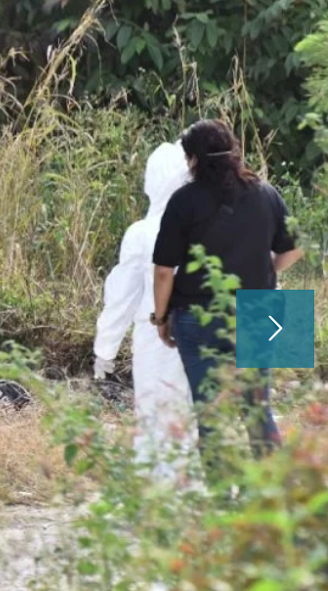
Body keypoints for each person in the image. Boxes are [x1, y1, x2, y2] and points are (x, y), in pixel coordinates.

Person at [152, 120, 303, 465]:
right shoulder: (267, 192)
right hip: (263, 309)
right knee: (258, 408)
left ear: (192, 159)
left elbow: (163, 271)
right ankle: (271, 499)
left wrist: (160, 318)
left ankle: (222, 501)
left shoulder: (183, 201)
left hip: (198, 313)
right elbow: (296, 249)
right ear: (234, 152)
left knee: (210, 413)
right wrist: (267, 269)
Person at [93, 143, 196, 485]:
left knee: (154, 412)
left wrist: (104, 348)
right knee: (196, 411)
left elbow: (121, 296)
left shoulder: (141, 232)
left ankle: (157, 490)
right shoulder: (214, 223)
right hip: (206, 331)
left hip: (156, 334)